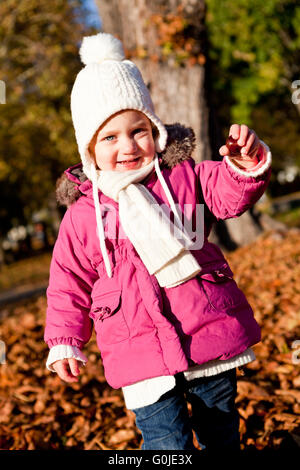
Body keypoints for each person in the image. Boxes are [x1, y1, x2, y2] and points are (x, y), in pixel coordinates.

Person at [44, 32, 272, 451]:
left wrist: (243, 168)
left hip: (208, 338)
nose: (128, 146)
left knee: (221, 433)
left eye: (138, 130)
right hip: (140, 354)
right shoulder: (83, 215)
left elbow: (226, 193)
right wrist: (65, 341)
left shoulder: (183, 177)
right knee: (167, 446)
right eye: (109, 138)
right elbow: (67, 281)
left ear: (155, 128)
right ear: (89, 148)